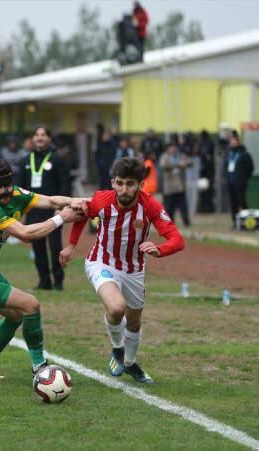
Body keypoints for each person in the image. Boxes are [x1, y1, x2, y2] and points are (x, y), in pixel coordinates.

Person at [0, 158, 84, 381]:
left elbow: (50, 200)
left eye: (8, 183)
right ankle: (40, 369)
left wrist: (82, 200)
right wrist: (61, 219)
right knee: (30, 304)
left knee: (16, 315)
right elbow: (26, 234)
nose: (4, 190)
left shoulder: (16, 194)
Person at [60, 157, 185, 384]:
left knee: (134, 321)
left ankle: (129, 362)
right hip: (102, 262)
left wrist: (160, 249)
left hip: (134, 269)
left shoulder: (150, 205)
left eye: (130, 183)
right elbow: (83, 214)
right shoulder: (102, 199)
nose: (124, 189)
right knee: (117, 308)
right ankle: (117, 349)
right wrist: (71, 245)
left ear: (140, 185)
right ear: (113, 182)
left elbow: (177, 239)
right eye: (119, 183)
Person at [16, 125, 72, 290]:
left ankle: (58, 281)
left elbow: (65, 184)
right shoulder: (26, 160)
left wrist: (61, 207)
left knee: (55, 247)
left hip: (53, 210)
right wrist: (20, 208)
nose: (40, 138)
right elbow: (19, 188)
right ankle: (44, 280)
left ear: (49, 138)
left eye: (43, 135)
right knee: (37, 247)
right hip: (33, 210)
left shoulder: (57, 159)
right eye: (37, 135)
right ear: (33, 139)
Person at [225, 133, 254, 226]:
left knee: (242, 201)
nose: (232, 143)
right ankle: (235, 222)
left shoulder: (244, 154)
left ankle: (247, 222)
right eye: (231, 141)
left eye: (234, 141)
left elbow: (250, 167)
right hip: (230, 181)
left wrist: (244, 177)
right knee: (233, 202)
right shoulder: (229, 154)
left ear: (238, 142)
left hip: (240, 182)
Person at [159, 143, 191, 226]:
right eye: (171, 148)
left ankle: (186, 222)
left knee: (183, 207)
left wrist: (185, 164)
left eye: (174, 147)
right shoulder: (165, 156)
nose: (173, 149)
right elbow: (163, 165)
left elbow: (189, 162)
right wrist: (178, 165)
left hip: (180, 187)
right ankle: (170, 224)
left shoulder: (181, 155)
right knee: (169, 208)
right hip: (169, 188)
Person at [197, 130, 215, 213]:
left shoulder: (200, 144)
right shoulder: (211, 144)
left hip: (203, 171)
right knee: (208, 191)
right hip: (209, 171)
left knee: (203, 191)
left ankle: (204, 207)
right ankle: (209, 207)